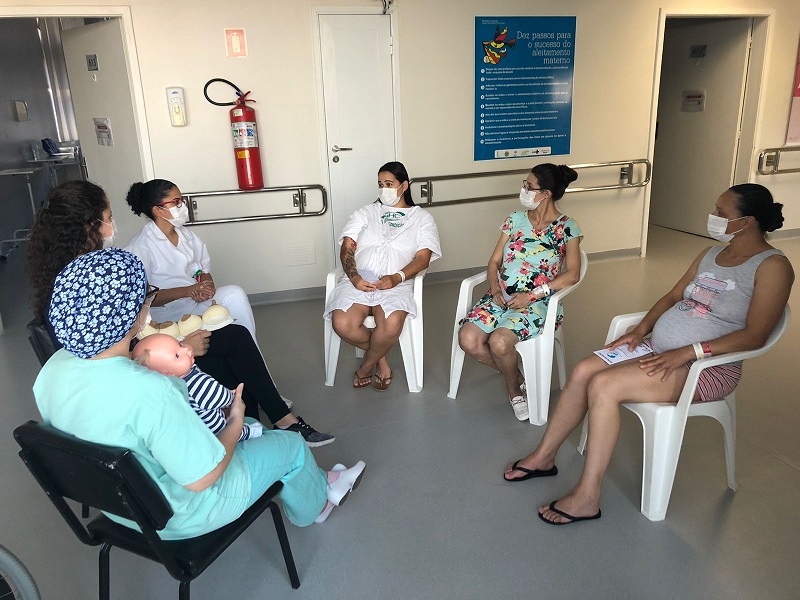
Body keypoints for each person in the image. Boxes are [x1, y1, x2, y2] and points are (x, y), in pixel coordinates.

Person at [503, 183, 793, 525]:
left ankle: (587, 498)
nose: (713, 217)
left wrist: (688, 351)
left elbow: (756, 336)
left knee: (604, 386)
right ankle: (543, 457)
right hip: (659, 348)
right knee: (583, 371)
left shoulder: (773, 267)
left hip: (705, 367)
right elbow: (672, 297)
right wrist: (640, 331)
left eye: (721, 212)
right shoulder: (710, 254)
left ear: (747, 221)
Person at [32, 248, 366, 536]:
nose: (147, 305)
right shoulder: (151, 390)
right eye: (145, 298)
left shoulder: (52, 370)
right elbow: (203, 477)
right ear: (131, 316)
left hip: (120, 507)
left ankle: (324, 479)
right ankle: (319, 505)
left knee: (253, 429)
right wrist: (235, 420)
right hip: (179, 513)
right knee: (291, 446)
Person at [26, 180, 334, 447]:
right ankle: (259, 429)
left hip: (147, 344)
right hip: (144, 358)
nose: (112, 226)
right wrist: (179, 347)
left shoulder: (73, 274)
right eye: (108, 219)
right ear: (87, 226)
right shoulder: (92, 277)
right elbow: (114, 357)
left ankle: (265, 424)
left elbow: (126, 332)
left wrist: (189, 309)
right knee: (231, 357)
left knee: (235, 338)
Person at [458, 163, 582, 421]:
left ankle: (513, 389)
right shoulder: (514, 219)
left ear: (546, 194)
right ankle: (518, 378)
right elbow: (494, 262)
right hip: (500, 295)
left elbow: (572, 274)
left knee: (499, 342)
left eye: (529, 186)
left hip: (537, 302)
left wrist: (532, 295)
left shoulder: (567, 227)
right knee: (468, 340)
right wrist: (494, 287)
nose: (524, 189)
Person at [324, 161, 442, 391]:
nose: (383, 189)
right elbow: (347, 247)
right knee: (342, 324)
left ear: (404, 186)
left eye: (389, 184)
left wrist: (397, 277)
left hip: (397, 281)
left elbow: (423, 258)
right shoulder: (365, 213)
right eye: (380, 184)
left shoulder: (422, 218)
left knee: (390, 325)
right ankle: (381, 360)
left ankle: (365, 367)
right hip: (360, 278)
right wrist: (355, 277)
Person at [124, 179, 258, 340]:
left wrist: (206, 288)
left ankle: (250, 346)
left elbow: (204, 271)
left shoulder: (186, 235)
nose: (183, 206)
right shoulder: (140, 247)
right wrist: (188, 291)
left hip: (195, 303)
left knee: (235, 294)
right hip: (165, 314)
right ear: (158, 210)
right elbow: (143, 297)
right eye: (176, 202)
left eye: (182, 200)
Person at [132, 333, 263, 442]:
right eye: (177, 355)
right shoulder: (195, 382)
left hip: (195, 429)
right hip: (214, 431)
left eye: (180, 344)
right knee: (234, 430)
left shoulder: (169, 384)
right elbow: (218, 396)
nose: (186, 350)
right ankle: (248, 433)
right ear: (167, 373)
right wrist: (231, 396)